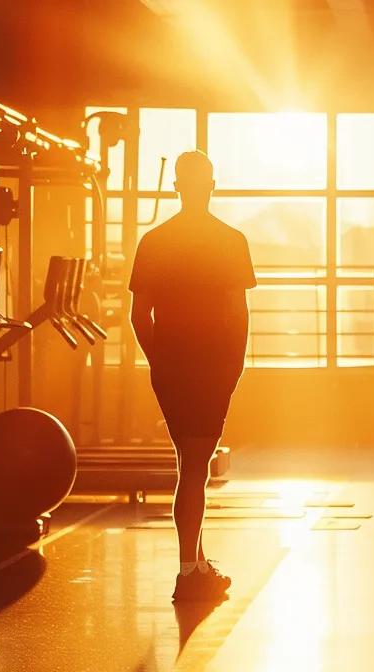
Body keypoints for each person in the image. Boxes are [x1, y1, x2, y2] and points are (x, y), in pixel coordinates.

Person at [129, 151, 255, 602]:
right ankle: (187, 572)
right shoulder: (230, 240)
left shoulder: (155, 241)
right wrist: (232, 368)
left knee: (190, 463)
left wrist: (159, 361)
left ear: (177, 186)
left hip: (174, 366)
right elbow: (237, 314)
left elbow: (139, 315)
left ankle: (197, 562)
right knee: (195, 467)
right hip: (211, 366)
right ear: (212, 185)